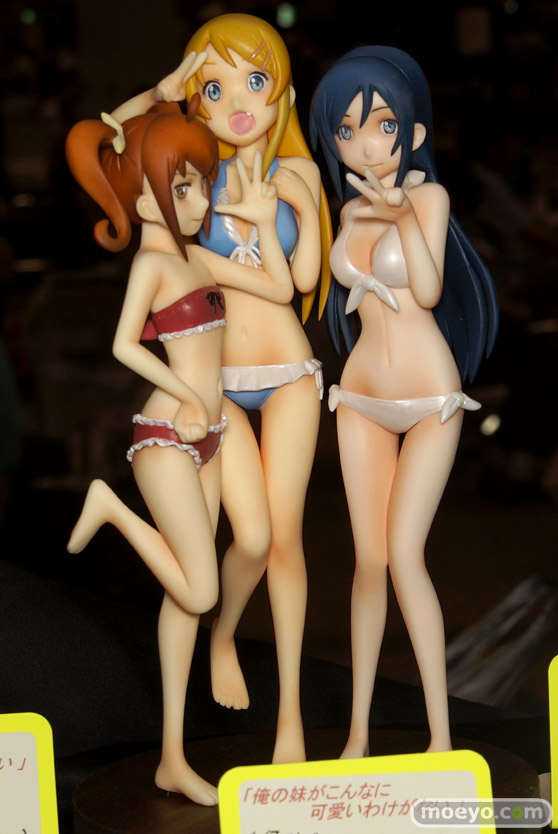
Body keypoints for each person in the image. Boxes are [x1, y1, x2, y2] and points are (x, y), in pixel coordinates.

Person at [112, 14, 333, 763]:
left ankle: (289, 719)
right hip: (218, 390)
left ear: (284, 92)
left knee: (284, 543)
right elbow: (118, 145)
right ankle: (223, 632)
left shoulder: (296, 175)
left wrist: (269, 220)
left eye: (255, 80)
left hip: (289, 374)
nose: (237, 102)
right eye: (214, 88)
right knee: (240, 540)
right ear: (195, 102)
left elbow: (302, 278)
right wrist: (161, 92)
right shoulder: (191, 172)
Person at [65, 99, 293, 803]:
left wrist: (262, 225)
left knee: (214, 576)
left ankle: (171, 755)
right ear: (143, 199)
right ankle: (111, 508)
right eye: (185, 186)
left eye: (200, 184)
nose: (200, 200)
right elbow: (123, 345)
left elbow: (280, 287)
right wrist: (188, 395)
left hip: (212, 433)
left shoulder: (196, 256)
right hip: (168, 435)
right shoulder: (152, 266)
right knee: (199, 589)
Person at [310, 46, 498, 756]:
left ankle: (440, 736)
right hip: (361, 392)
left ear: (414, 133)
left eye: (383, 126)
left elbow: (426, 289)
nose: (366, 145)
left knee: (405, 554)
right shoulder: (348, 208)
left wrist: (403, 219)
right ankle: (357, 732)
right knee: (367, 561)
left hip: (428, 396)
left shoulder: (429, 200)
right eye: (347, 130)